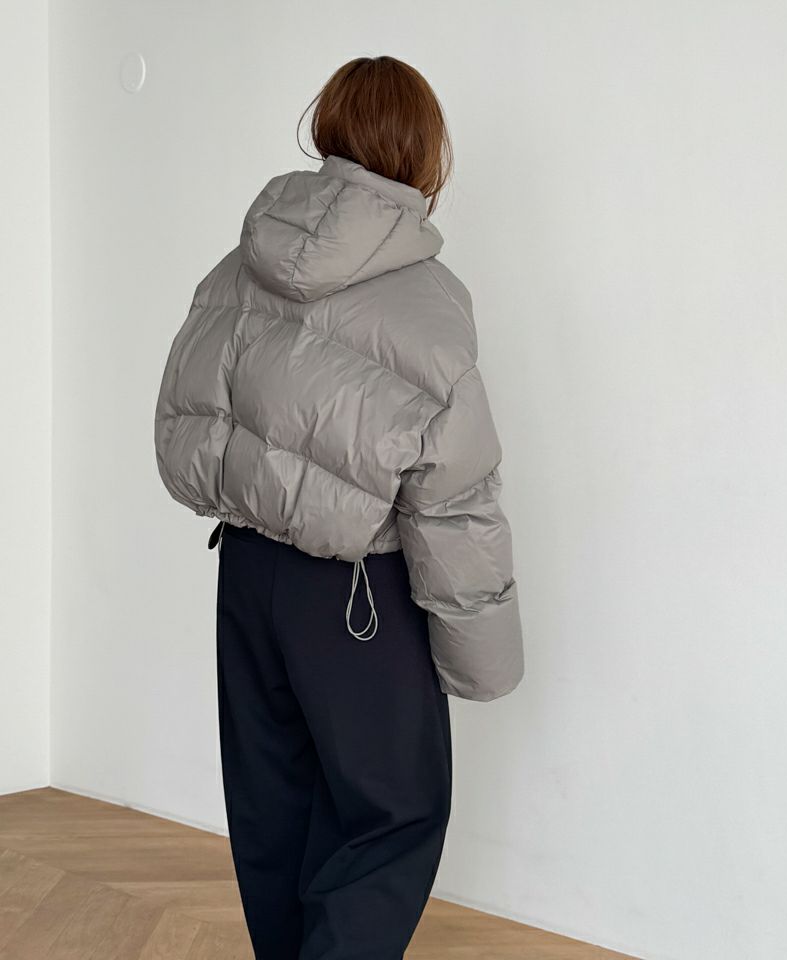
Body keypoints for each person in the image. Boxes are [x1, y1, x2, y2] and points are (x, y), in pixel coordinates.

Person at [154, 55, 524, 960]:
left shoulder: (238, 263)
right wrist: (483, 659)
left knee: (275, 811)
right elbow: (453, 498)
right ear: (424, 152)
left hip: (246, 575)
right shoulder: (430, 301)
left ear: (327, 129)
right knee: (393, 815)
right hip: (359, 597)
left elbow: (182, 423)